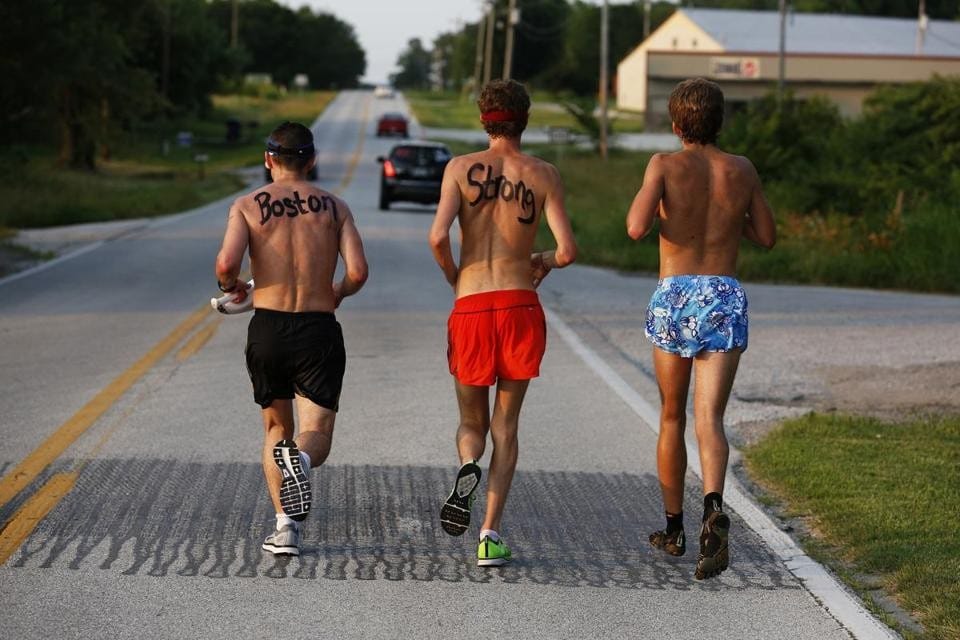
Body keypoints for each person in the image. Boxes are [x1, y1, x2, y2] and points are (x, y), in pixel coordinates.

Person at [625, 78, 776, 580]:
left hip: (676, 294)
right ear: (719, 121)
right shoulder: (743, 168)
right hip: (723, 295)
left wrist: (664, 201)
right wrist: (729, 218)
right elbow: (766, 236)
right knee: (709, 417)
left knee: (672, 416)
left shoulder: (664, 165)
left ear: (675, 124)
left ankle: (675, 529)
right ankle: (713, 507)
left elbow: (635, 226)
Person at [429, 79, 578, 567]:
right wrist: (543, 261)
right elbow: (568, 252)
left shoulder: (457, 169)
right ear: (524, 121)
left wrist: (457, 279)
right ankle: (490, 533)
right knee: (506, 426)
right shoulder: (544, 173)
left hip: (472, 303)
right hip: (519, 304)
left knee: (470, 421)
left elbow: (436, 238)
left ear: (483, 121)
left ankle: (468, 466)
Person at [215, 121, 368, 556]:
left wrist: (233, 288)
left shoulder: (247, 205)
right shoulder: (335, 207)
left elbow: (226, 263)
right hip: (317, 329)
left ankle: (285, 529)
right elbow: (358, 272)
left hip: (268, 327)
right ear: (312, 160)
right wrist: (337, 292)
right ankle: (300, 462)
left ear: (268, 160)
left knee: (276, 428)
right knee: (314, 432)